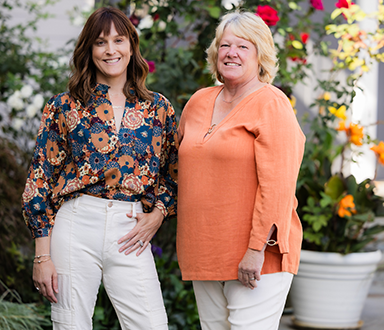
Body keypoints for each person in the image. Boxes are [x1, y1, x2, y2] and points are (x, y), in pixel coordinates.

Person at [22, 7, 177, 330]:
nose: (110, 50)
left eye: (118, 40)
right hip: (76, 225)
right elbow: (39, 178)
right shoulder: (63, 106)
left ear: (131, 46)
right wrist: (42, 255)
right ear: (88, 50)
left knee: (151, 324)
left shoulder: (157, 108)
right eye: (100, 42)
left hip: (130, 229)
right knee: (71, 325)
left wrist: (158, 214)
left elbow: (174, 173)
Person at [176, 11, 305, 330]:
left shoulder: (271, 103)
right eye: (224, 45)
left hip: (257, 257)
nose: (231, 52)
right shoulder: (198, 102)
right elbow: (176, 167)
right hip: (204, 253)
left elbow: (279, 185)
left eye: (243, 46)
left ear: (260, 55)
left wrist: (255, 249)